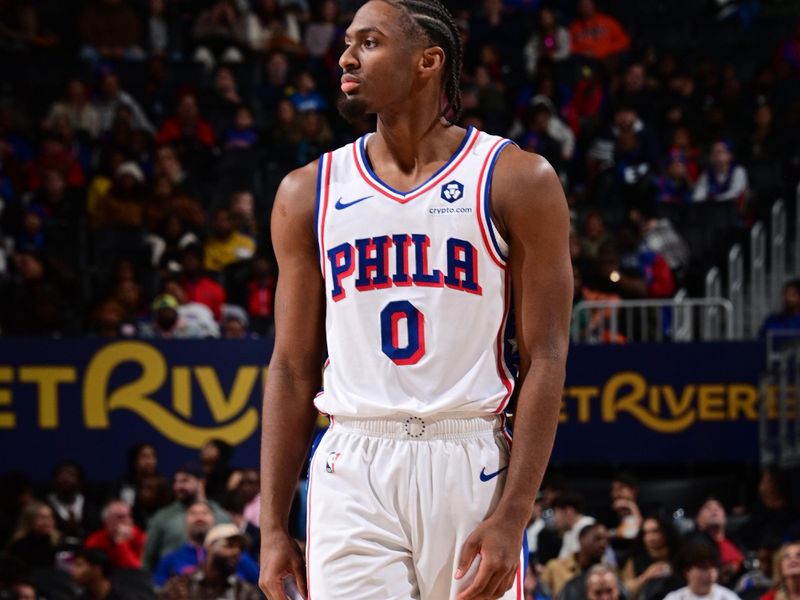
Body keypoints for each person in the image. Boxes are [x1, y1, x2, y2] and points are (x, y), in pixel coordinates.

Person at [257, 2, 572, 600]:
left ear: (428, 60)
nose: (347, 57)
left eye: (369, 43)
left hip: (470, 453)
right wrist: (273, 527)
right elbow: (293, 367)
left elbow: (547, 356)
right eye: (348, 43)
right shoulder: (307, 192)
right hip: (352, 454)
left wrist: (514, 514)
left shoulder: (515, 179)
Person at [142, 463, 231, 572]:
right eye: (176, 481)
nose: (177, 486)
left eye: (185, 481)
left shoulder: (222, 516)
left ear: (201, 482)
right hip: (171, 581)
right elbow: (148, 560)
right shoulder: (162, 517)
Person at [153, 504, 258, 587]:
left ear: (214, 520)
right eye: (193, 513)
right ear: (184, 522)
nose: (199, 517)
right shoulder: (171, 559)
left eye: (205, 513)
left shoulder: (240, 558)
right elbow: (158, 590)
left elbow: (261, 583)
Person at [541, 523, 611, 599]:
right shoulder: (555, 568)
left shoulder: (610, 572)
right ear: (581, 539)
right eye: (597, 538)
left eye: (606, 540)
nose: (603, 544)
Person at [664, 543, 742, 600]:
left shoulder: (728, 597)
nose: (710, 572)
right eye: (703, 568)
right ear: (687, 571)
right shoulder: (674, 597)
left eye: (713, 567)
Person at [84, 500, 146, 570]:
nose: (127, 521)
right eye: (120, 517)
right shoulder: (95, 540)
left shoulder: (139, 536)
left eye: (129, 516)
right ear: (107, 520)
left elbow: (136, 571)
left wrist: (122, 543)